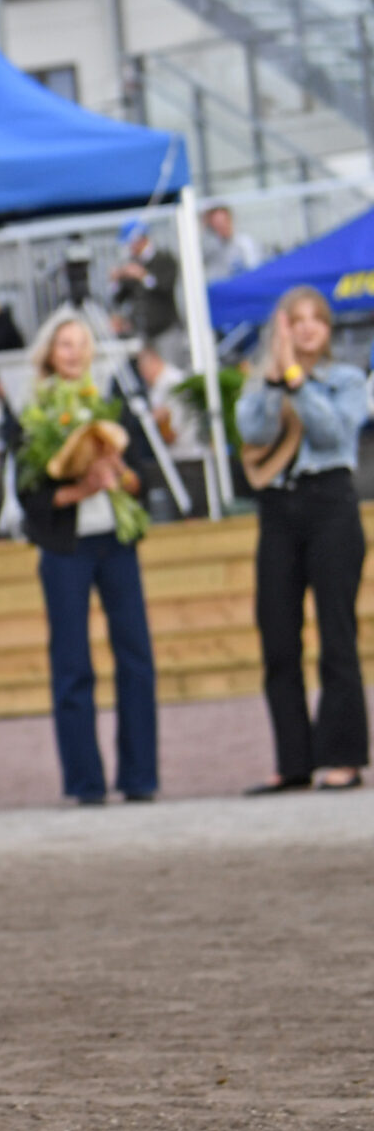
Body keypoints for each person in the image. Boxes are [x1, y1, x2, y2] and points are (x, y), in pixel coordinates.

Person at [17, 310, 159, 805]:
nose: (73, 352)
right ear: (51, 355)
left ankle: (141, 777)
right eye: (64, 344)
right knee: (72, 662)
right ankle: (85, 781)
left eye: (80, 343)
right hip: (66, 549)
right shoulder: (35, 414)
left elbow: (146, 481)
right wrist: (81, 489)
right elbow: (30, 498)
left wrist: (117, 472)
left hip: (117, 542)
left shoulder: (113, 406)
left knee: (136, 658)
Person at [235, 284, 368, 793]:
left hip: (330, 503)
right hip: (279, 509)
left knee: (337, 634)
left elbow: (334, 434)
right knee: (277, 636)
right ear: (282, 327)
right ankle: (292, 761)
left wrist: (296, 381)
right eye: (298, 319)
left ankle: (345, 756)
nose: (308, 327)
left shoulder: (348, 379)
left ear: (328, 330)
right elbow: (252, 431)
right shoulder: (260, 378)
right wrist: (273, 382)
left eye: (317, 319)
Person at [109, 222, 185, 371]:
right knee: (149, 373)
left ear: (141, 240)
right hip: (144, 333)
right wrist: (115, 281)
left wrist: (142, 276)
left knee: (172, 370)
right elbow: (119, 299)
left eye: (130, 244)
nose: (129, 248)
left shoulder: (165, 259)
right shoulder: (132, 263)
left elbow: (165, 287)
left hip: (166, 330)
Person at [200, 203, 266, 281]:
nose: (222, 227)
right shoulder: (207, 250)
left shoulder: (244, 243)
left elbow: (255, 268)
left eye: (223, 222)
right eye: (217, 225)